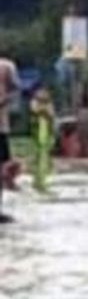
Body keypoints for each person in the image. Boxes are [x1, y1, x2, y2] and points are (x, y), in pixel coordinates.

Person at [0, 55, 19, 221]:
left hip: (1, 126)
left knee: (2, 167)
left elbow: (15, 90)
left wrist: (3, 100)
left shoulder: (6, 66)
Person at [29, 84, 56, 194]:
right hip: (37, 132)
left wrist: (44, 110)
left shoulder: (49, 104)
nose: (43, 94)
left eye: (45, 92)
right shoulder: (34, 102)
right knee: (37, 156)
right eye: (41, 92)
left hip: (46, 132)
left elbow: (50, 114)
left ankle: (42, 180)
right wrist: (43, 110)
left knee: (44, 156)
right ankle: (37, 180)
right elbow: (36, 111)